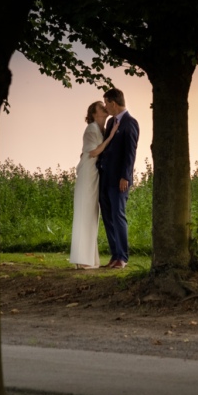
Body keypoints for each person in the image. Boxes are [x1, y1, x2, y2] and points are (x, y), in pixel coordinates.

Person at [69, 101, 116, 269]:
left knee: (92, 213)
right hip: (88, 173)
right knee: (85, 211)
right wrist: (110, 138)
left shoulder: (101, 129)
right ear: (94, 114)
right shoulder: (91, 129)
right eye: (101, 107)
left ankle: (87, 258)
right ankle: (82, 259)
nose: (105, 108)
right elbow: (94, 151)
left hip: (94, 173)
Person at [97, 88, 139, 268]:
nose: (105, 106)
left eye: (106, 103)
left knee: (118, 215)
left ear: (113, 103)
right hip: (105, 178)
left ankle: (122, 258)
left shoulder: (130, 123)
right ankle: (115, 256)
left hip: (119, 180)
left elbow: (130, 152)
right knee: (108, 216)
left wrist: (125, 176)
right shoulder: (110, 123)